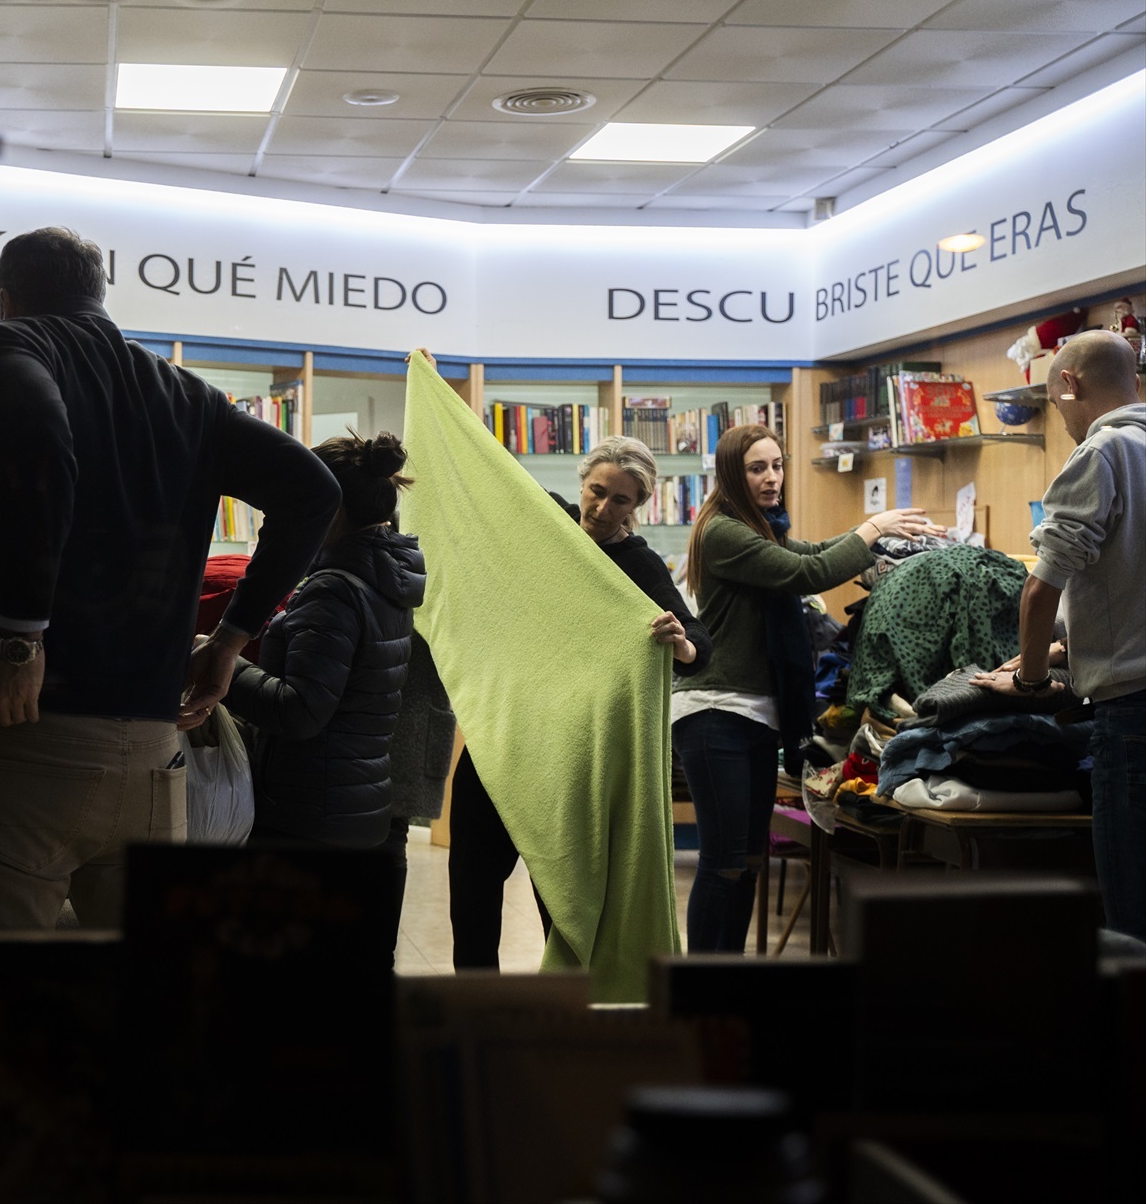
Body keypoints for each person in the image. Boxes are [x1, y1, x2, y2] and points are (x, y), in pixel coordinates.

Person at [0, 226, 338, 932]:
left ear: (6, 299)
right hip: (155, 758)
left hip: (33, 739)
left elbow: (36, 431)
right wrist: (228, 641)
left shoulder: (6, 345)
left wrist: (22, 640)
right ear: (100, 297)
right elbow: (314, 490)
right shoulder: (188, 396)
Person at [448, 435, 713, 970]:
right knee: (471, 889)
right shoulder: (545, 523)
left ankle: (568, 1011)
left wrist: (677, 639)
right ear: (582, 481)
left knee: (564, 895)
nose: (602, 508)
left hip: (569, 758)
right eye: (597, 491)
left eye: (621, 501)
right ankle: (471, 1007)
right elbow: (480, 469)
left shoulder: (637, 562)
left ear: (638, 507)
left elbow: (699, 647)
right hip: (501, 736)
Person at [674, 423, 940, 953]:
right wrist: (872, 528)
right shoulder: (724, 531)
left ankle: (726, 984)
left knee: (748, 861)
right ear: (731, 474)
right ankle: (698, 988)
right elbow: (809, 571)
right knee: (724, 862)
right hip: (714, 713)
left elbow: (813, 550)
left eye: (776, 465)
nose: (772, 478)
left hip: (752, 716)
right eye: (757, 468)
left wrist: (877, 542)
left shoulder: (759, 527)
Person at [972, 330, 1146, 940]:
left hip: (1132, 715)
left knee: (1131, 914)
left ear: (1069, 384)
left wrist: (1031, 677)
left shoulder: (1103, 453)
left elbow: (1040, 588)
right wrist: (1060, 647)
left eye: (1052, 404)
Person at [220, 430, 424, 948]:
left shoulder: (333, 590)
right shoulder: (385, 578)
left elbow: (299, 711)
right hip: (353, 806)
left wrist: (216, 659)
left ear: (326, 506)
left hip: (304, 815)